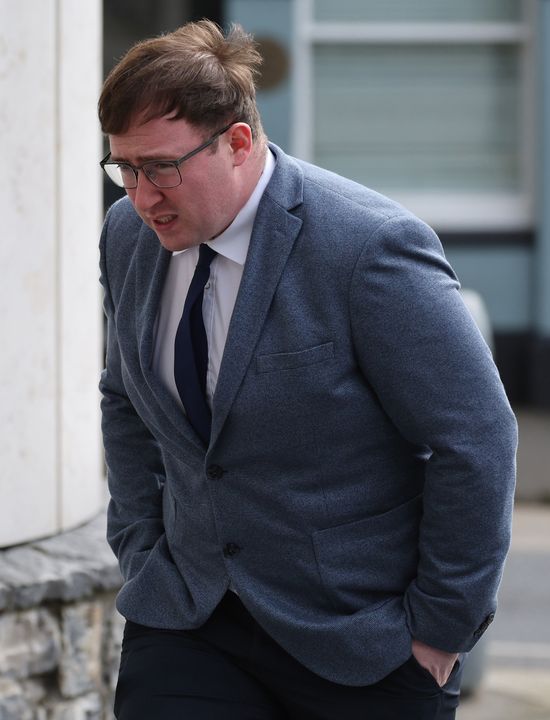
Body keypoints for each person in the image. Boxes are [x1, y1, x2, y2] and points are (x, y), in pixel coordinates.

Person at [98, 20, 517, 720]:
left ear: (237, 142)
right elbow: (123, 399)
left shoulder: (369, 246)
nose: (142, 197)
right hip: (190, 617)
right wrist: (141, 548)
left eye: (162, 168)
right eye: (125, 169)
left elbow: (475, 439)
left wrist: (441, 628)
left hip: (360, 639)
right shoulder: (127, 236)